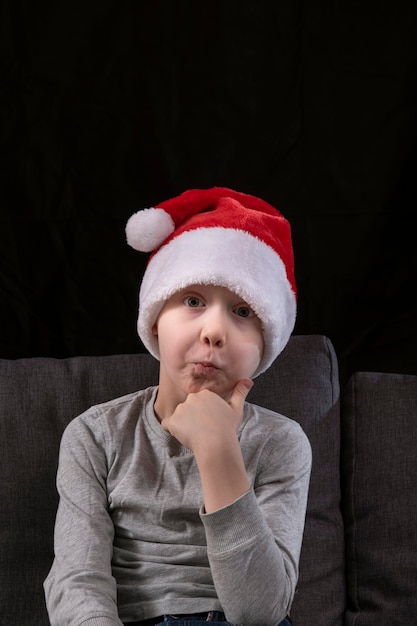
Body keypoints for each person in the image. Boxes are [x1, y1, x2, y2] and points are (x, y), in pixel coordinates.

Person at [44, 187, 312, 626]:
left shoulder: (281, 442)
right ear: (154, 318)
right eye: (192, 301)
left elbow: (261, 612)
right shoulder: (95, 435)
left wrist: (217, 450)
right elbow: (78, 583)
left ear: (265, 344)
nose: (214, 332)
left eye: (243, 311)